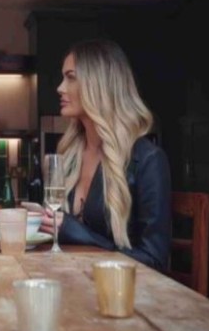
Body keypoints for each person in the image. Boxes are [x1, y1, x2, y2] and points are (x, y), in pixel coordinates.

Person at [38, 39, 171, 271]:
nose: (60, 87)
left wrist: (84, 236)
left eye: (70, 77)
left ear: (98, 85)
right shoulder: (69, 156)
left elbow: (155, 260)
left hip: (123, 297)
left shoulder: (148, 160)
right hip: (73, 280)